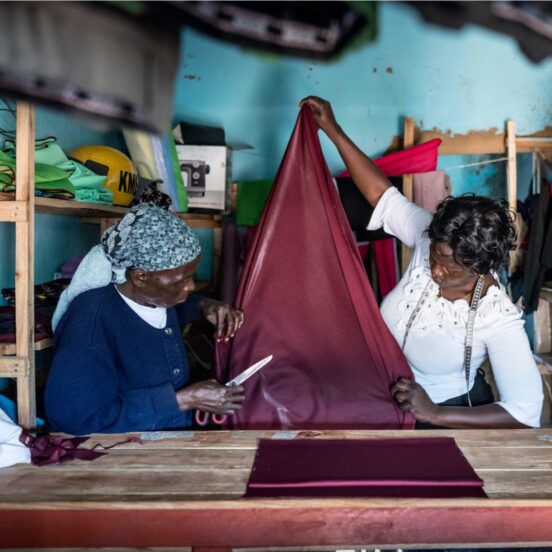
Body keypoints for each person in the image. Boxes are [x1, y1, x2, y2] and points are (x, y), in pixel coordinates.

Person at [301, 96, 544, 429]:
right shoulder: (430, 238)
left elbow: (525, 410)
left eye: (449, 268)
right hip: (384, 398)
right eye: (434, 257)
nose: (436, 269)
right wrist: (332, 128)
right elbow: (381, 195)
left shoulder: (495, 316)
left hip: (447, 414)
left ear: (479, 268)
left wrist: (435, 413)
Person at [45, 203, 245, 434]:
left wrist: (203, 305)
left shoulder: (154, 297)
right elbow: (73, 420)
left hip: (175, 443)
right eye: (182, 279)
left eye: (193, 275)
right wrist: (183, 400)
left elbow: (150, 319)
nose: (191, 286)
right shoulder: (90, 323)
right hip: (123, 459)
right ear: (141, 277)